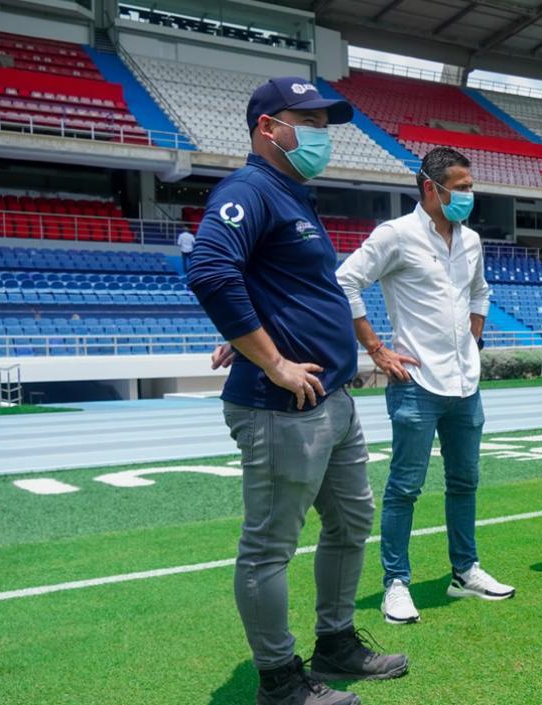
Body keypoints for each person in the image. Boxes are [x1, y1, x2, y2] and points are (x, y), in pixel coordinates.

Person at [187, 77, 407, 705]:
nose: (320, 132)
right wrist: (271, 357)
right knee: (269, 547)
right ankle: (280, 681)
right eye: (305, 119)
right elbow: (209, 268)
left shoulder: (292, 193)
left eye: (323, 120)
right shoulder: (250, 188)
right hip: (284, 403)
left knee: (350, 521)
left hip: (332, 397)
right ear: (268, 128)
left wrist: (254, 329)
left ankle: (335, 642)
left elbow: (273, 280)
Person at [336, 146, 515, 626]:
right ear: (429, 188)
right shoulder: (396, 235)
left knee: (465, 481)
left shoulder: (472, 241)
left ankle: (465, 571)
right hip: (415, 382)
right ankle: (396, 583)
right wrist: (376, 349)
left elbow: (480, 291)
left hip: (465, 383)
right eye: (460, 187)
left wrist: (474, 339)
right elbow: (345, 282)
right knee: (405, 487)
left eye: (470, 186)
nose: (468, 195)